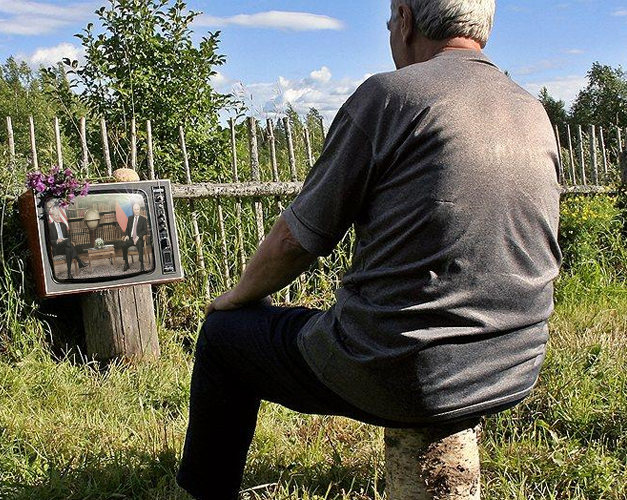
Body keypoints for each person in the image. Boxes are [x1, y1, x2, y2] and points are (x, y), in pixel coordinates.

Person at [176, 1, 562, 498]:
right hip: (514, 362)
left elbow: (295, 240)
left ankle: (205, 490)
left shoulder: (390, 96)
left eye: (389, 22)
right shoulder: (531, 109)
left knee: (223, 337)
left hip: (407, 368)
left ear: (405, 18)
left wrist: (235, 297)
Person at [45, 201, 88, 280]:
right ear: (53, 217)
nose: (58, 217)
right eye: (56, 216)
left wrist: (66, 240)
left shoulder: (63, 225)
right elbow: (49, 241)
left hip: (65, 247)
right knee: (68, 243)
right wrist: (57, 241)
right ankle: (79, 261)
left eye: (58, 215)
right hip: (57, 248)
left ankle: (69, 273)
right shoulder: (50, 227)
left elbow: (68, 237)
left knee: (68, 249)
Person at [120, 203, 149, 271]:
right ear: (133, 210)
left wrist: (138, 237)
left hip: (139, 239)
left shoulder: (143, 219)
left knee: (139, 244)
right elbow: (127, 229)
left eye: (138, 209)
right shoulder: (130, 218)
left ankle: (141, 263)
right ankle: (126, 263)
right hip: (131, 239)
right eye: (135, 209)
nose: (136, 211)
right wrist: (127, 235)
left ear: (140, 210)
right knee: (123, 244)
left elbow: (145, 231)